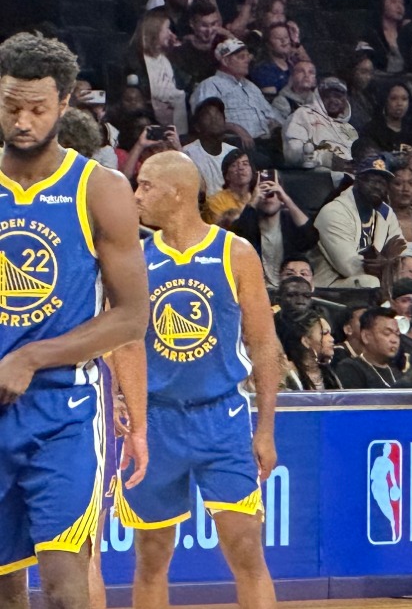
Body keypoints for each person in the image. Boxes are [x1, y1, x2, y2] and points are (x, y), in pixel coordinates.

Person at [0, 32, 150, 609]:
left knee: (66, 584)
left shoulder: (100, 190)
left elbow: (132, 318)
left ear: (65, 104)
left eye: (37, 108)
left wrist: (31, 356)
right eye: (11, 105)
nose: (22, 120)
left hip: (63, 410)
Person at [119, 151, 280, 609]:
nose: (137, 195)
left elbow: (265, 345)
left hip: (221, 418)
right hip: (155, 420)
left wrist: (266, 427)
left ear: (177, 192)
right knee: (151, 555)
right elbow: (121, 342)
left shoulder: (235, 253)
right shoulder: (135, 259)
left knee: (246, 547)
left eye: (146, 185)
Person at [312, 155, 408, 289]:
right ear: (357, 181)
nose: (377, 187)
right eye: (372, 181)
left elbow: (401, 248)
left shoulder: (385, 212)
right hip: (330, 284)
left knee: (409, 276)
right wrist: (387, 263)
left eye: (382, 183)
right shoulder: (334, 212)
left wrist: (387, 263)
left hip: (379, 277)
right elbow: (349, 268)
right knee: (370, 283)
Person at [335, 308, 403, 389]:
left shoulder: (398, 375)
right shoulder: (350, 368)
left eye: (397, 334)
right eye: (387, 333)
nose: (394, 340)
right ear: (366, 336)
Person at [281, 308, 341, 390]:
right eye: (324, 333)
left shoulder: (329, 374)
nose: (332, 339)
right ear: (305, 341)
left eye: (330, 334)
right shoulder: (288, 373)